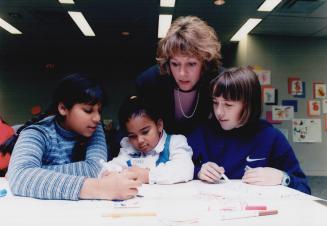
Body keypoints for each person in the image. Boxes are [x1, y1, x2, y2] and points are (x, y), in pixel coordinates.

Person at [7, 73, 141, 200]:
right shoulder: (37, 133)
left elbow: (95, 168)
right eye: (88, 110)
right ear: (63, 108)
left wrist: (37, 171)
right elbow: (20, 176)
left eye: (99, 111)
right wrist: (101, 188)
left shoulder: (95, 128)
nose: (97, 118)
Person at [188, 67, 311, 194]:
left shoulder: (271, 137)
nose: (219, 112)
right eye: (215, 102)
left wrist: (283, 178)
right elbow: (174, 172)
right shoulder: (201, 132)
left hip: (256, 209)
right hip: (210, 208)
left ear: (248, 105)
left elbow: (304, 189)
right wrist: (198, 172)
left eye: (228, 105)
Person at [136, 16, 223, 135]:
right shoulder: (149, 82)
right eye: (175, 64)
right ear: (167, 62)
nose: (182, 73)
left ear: (205, 63)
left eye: (191, 64)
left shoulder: (220, 81)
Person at [100, 95, 194, 184]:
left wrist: (148, 175)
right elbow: (114, 165)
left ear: (159, 125)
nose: (140, 140)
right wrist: (108, 172)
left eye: (145, 132)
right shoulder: (129, 147)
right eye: (133, 136)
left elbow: (185, 169)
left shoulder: (175, 143)